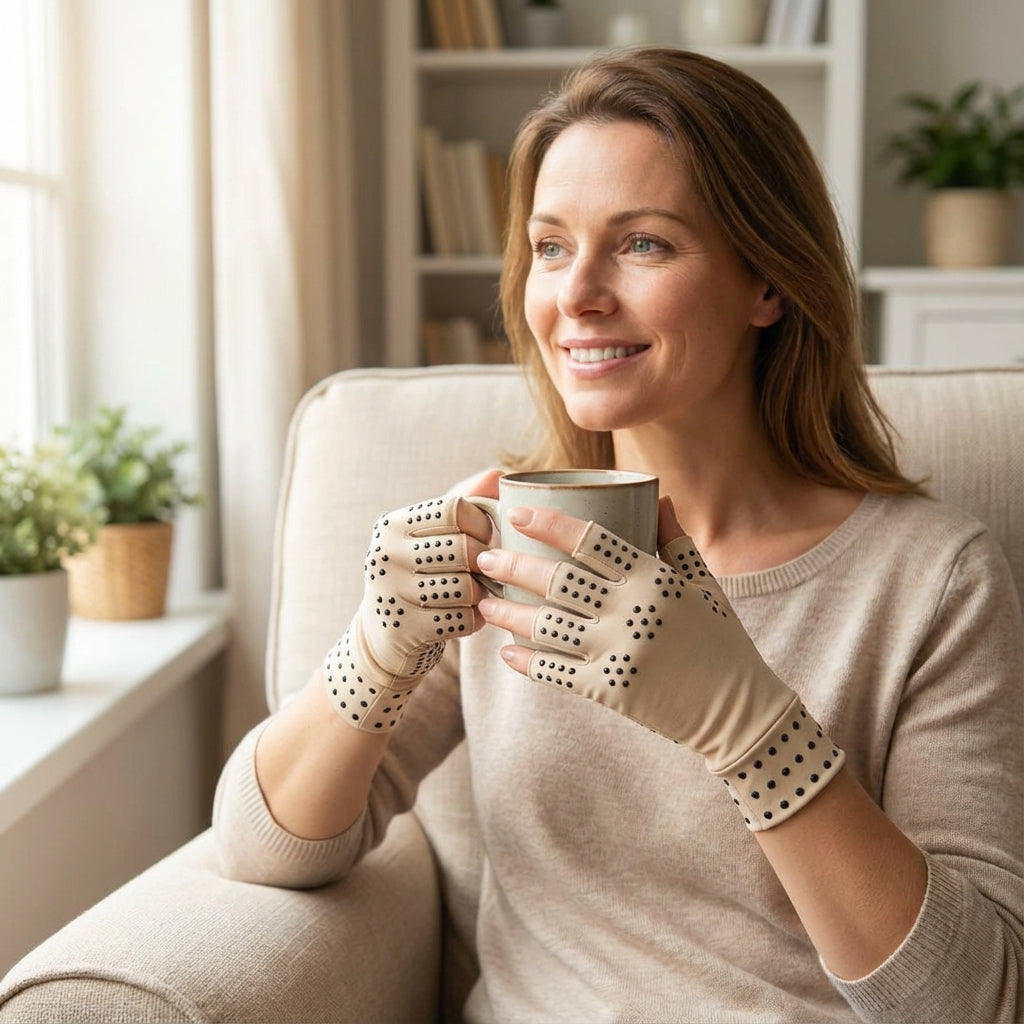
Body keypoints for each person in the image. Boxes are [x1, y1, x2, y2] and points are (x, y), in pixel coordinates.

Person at [213, 47, 1023, 1022]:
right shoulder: (508, 544)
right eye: (550, 246)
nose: (576, 295)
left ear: (765, 281)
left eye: (641, 244)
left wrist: (748, 725)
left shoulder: (930, 578)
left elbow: (976, 998)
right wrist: (376, 650)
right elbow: (265, 847)